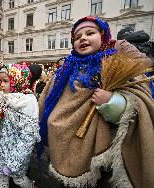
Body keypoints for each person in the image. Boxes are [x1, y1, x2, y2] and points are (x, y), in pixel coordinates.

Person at [38, 16, 154, 188]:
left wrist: (112, 102)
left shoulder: (117, 65)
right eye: (77, 37)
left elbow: (139, 107)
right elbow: (46, 103)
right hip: (65, 148)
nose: (83, 38)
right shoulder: (64, 72)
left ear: (103, 36)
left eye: (90, 33)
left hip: (102, 160)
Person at [0, 64, 40, 188]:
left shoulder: (27, 103)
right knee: (1, 176)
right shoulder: (3, 97)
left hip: (16, 152)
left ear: (18, 82)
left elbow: (28, 137)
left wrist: (14, 162)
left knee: (19, 179)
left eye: (5, 81)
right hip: (2, 147)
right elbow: (0, 117)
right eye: (0, 80)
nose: (1, 84)